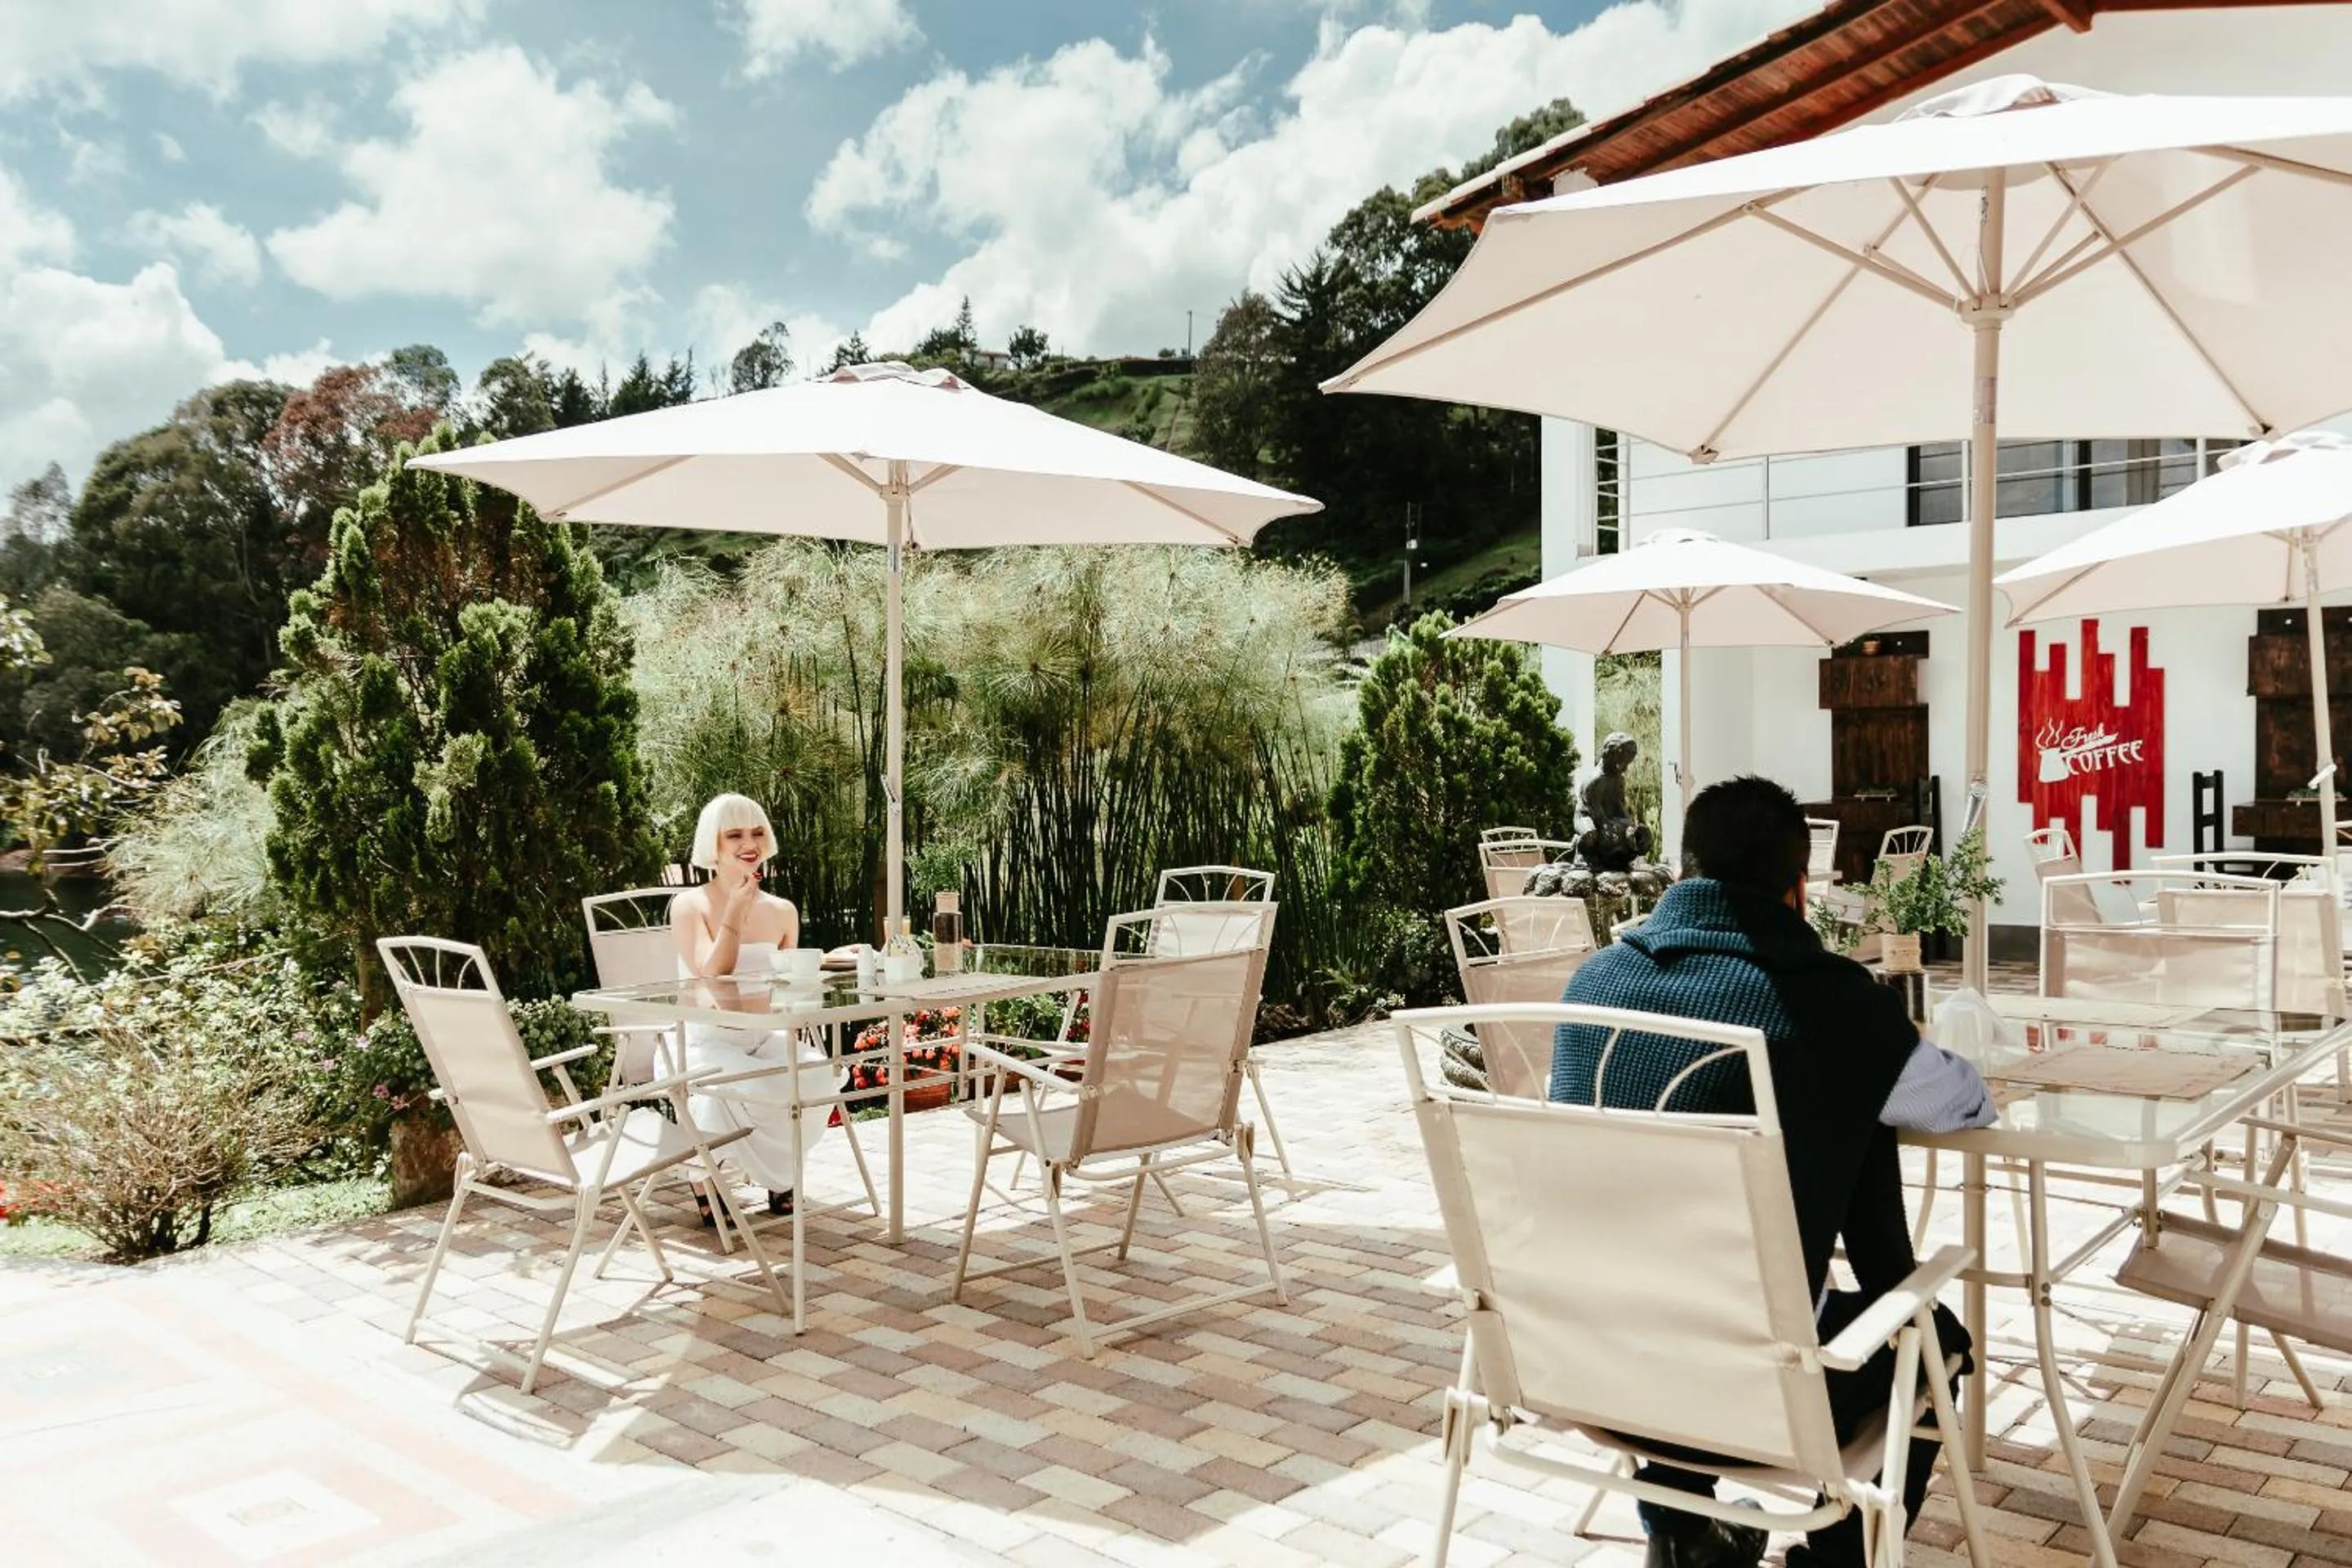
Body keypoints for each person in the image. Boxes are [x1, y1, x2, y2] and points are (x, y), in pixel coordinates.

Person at [1549, 775, 1997, 1568]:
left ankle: (1683, 1534)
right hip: (1756, 1395)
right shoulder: (1828, 1007)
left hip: (1593, 1364)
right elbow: (1958, 1101)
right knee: (1936, 1343)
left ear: (1684, 872)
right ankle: (1831, 1560)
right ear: (1799, 889)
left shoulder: (1591, 988)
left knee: (1671, 1279)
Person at [671, 793, 835, 1223]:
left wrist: (831, 960)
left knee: (816, 1074)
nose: (750, 843)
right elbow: (711, 975)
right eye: (735, 835)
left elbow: (787, 983)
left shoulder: (783, 911)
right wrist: (735, 913)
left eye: (757, 832)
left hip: (763, 1035)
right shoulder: (688, 905)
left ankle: (781, 1172)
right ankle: (711, 1175)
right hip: (704, 1040)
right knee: (745, 1087)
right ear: (715, 844)